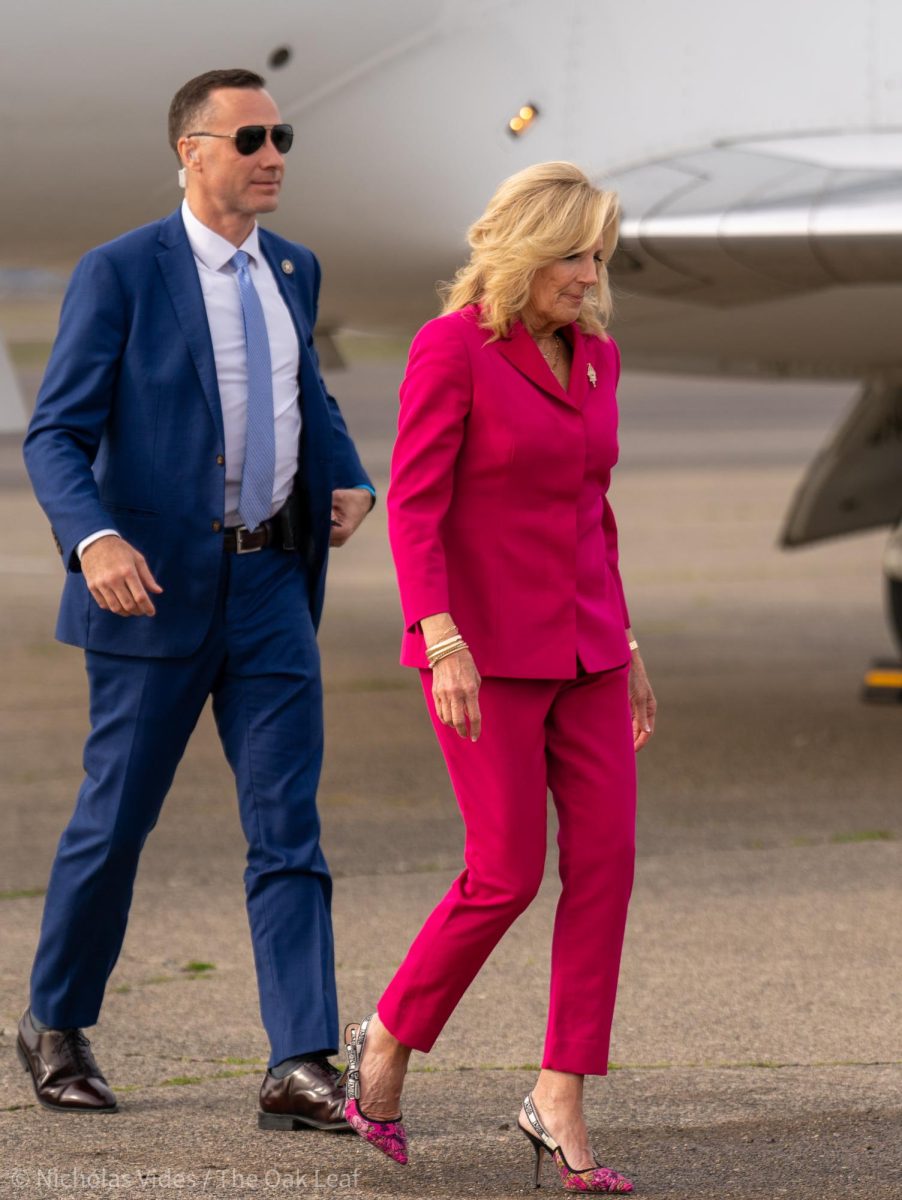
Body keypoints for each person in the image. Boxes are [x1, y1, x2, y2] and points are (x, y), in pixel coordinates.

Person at [17, 68, 374, 1132]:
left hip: (270, 584)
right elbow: (56, 434)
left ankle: (299, 1060)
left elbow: (304, 388)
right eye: (250, 138)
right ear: (192, 152)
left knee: (287, 829)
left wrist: (345, 470)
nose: (272, 155)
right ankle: (55, 1024)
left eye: (281, 137)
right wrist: (94, 539)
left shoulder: (294, 270)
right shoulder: (122, 271)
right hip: (153, 593)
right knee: (115, 823)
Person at [342, 162, 656, 1192]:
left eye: (598, 255)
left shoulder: (598, 358)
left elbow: (590, 510)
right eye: (573, 254)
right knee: (505, 873)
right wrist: (439, 638)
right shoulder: (453, 352)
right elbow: (415, 507)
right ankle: (388, 1039)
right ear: (523, 252)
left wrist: (630, 643)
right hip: (480, 657)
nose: (588, 274)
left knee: (604, 860)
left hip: (590, 650)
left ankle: (558, 1090)